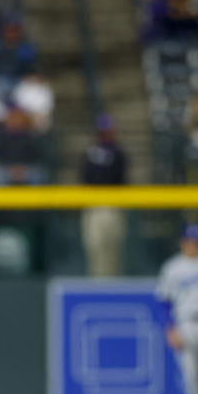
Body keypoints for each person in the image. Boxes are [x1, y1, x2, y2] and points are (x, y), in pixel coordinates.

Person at [156, 223, 198, 394]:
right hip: (186, 324)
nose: (193, 246)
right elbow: (164, 302)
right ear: (182, 243)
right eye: (189, 242)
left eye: (196, 242)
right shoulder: (172, 267)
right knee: (191, 376)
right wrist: (170, 329)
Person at [80, 114, 128, 277]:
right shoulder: (90, 152)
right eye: (102, 130)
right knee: (94, 247)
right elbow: (84, 178)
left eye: (107, 130)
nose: (105, 133)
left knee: (113, 248)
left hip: (112, 205)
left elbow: (121, 178)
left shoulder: (118, 153)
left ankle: (114, 283)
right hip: (93, 205)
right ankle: (96, 282)